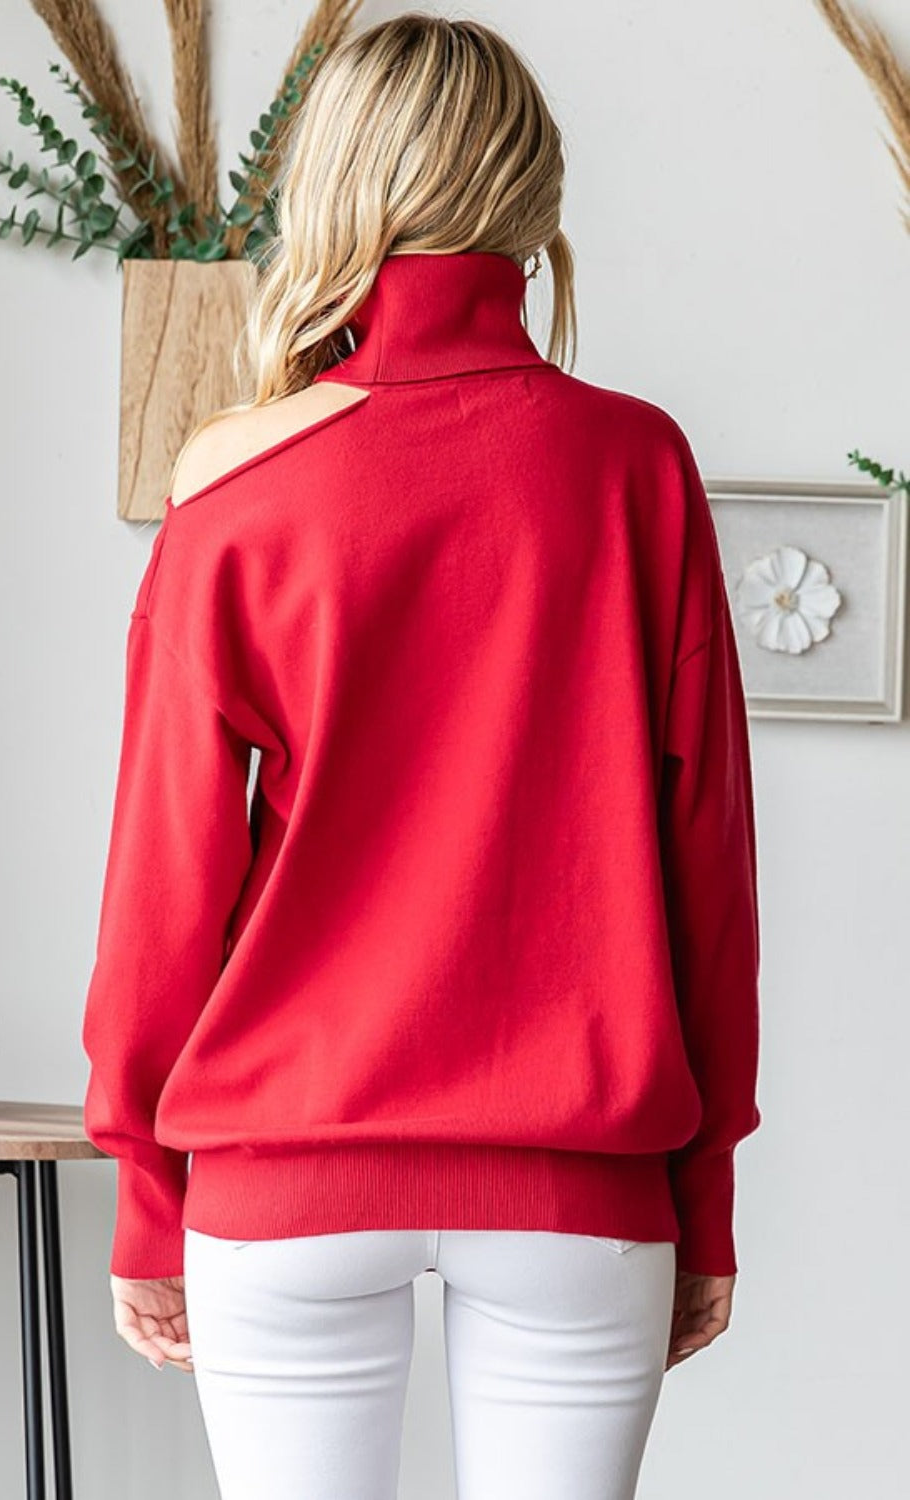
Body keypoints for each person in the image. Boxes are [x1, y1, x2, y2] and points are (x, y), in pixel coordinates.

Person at [80, 12, 762, 1499]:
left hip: (285, 1173)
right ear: (534, 200)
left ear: (328, 191)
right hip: (580, 1191)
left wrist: (147, 1187)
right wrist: (700, 1199)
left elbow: (163, 885)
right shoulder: (635, 468)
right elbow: (706, 862)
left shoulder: (239, 493)